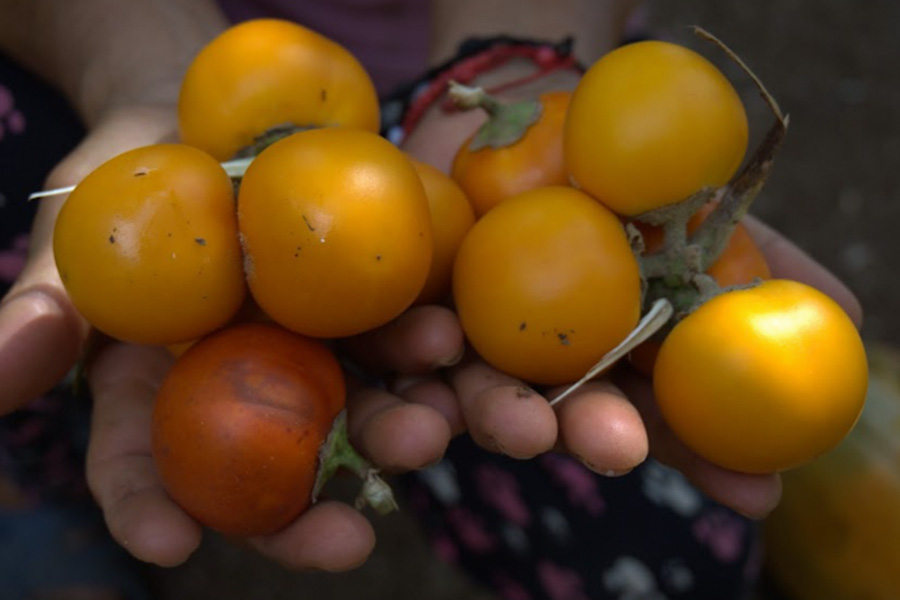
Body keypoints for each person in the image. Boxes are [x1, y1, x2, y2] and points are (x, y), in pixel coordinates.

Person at [0, 0, 863, 598]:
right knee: (37, 312)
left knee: (665, 560)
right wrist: (134, 74)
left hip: (464, 128)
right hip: (130, 59)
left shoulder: (517, 220)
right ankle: (37, 491)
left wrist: (512, 56)